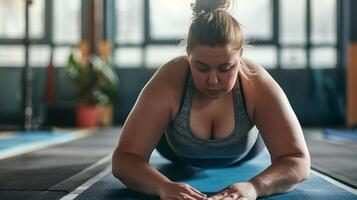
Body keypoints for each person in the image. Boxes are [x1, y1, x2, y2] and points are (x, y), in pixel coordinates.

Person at [112, 0, 311, 199]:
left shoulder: (256, 82)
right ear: (188, 55)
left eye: (225, 68)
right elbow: (124, 159)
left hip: (245, 153)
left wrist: (255, 187)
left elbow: (298, 160)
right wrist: (162, 186)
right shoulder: (169, 80)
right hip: (176, 154)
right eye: (202, 67)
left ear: (240, 55)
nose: (213, 80)